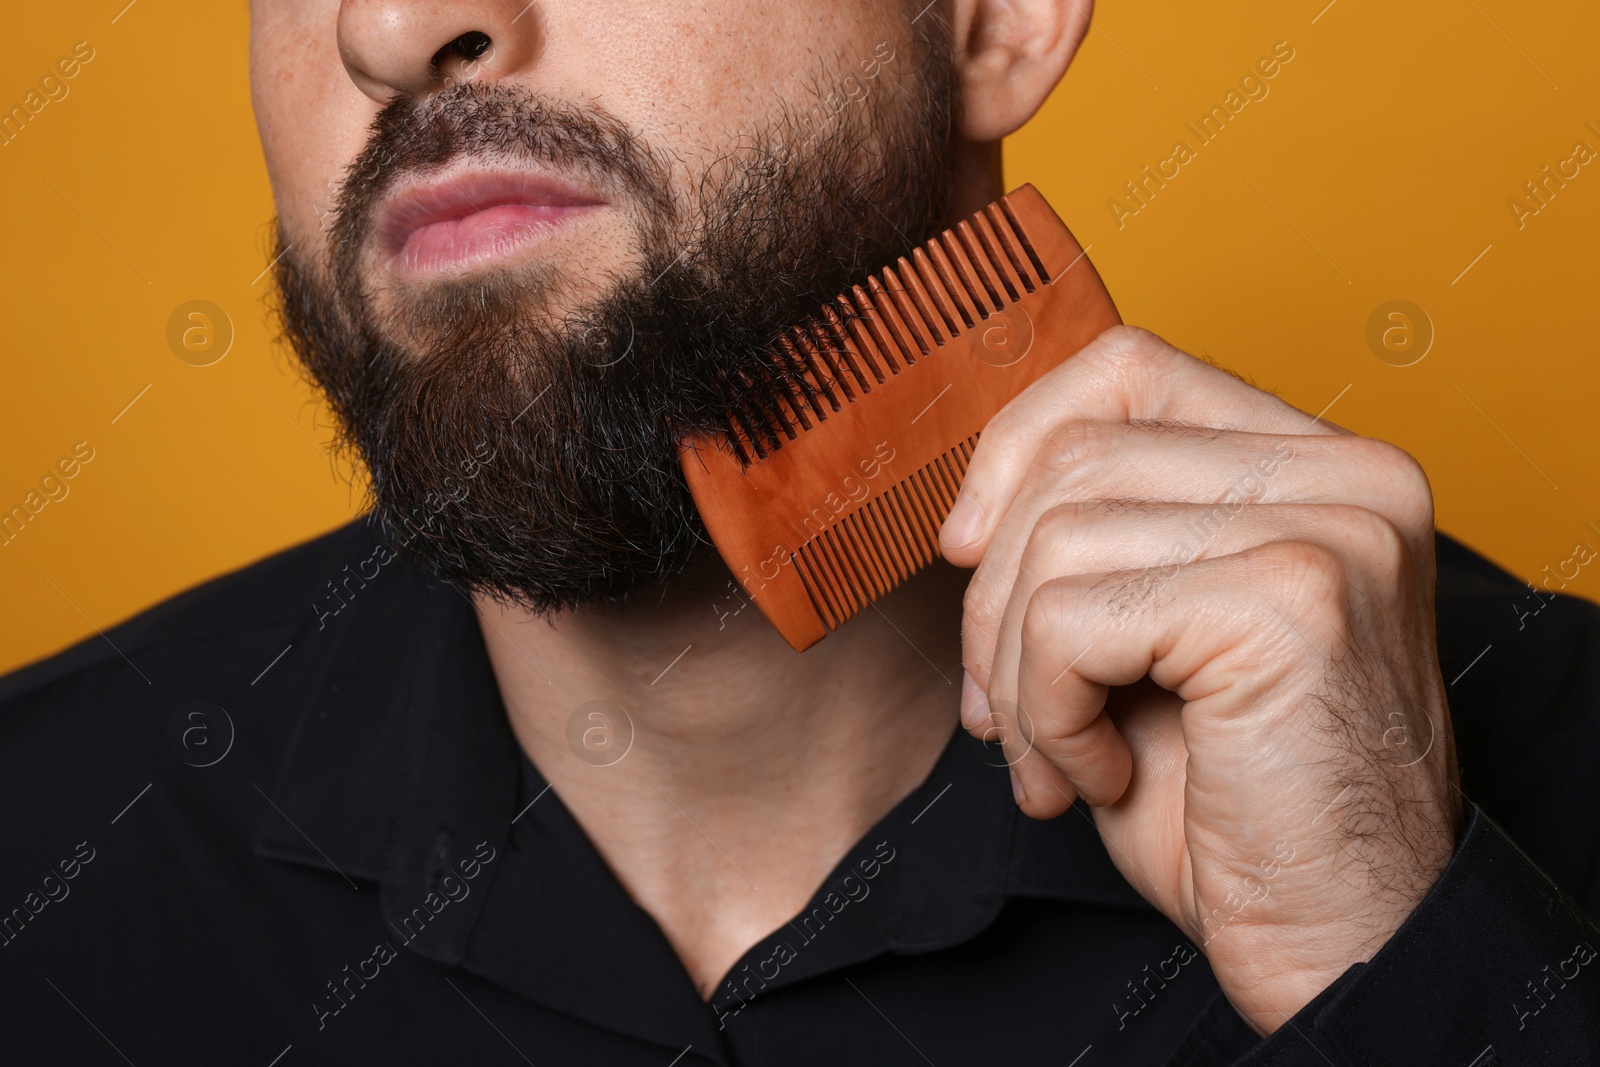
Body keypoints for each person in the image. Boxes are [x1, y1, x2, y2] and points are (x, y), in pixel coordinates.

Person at [2, 0, 1596, 1062]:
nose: (395, 25)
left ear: (994, 18)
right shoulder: (43, 855)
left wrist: (1409, 975)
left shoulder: (1546, 782)